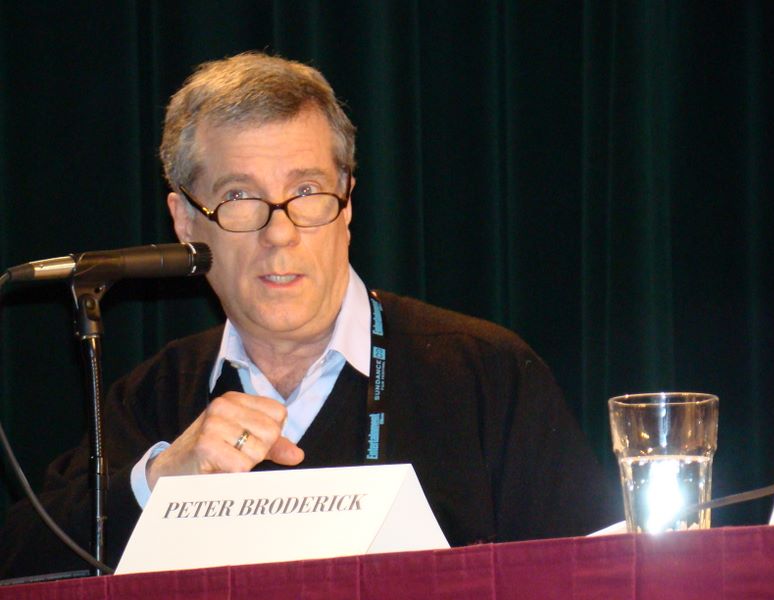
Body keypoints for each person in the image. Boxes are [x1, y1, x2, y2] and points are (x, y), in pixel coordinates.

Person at [0, 51, 618, 578]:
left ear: (347, 204)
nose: (280, 233)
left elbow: (596, 576)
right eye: (240, 197)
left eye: (306, 192)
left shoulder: (484, 374)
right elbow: (21, 559)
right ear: (185, 222)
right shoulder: (154, 398)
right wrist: (158, 481)